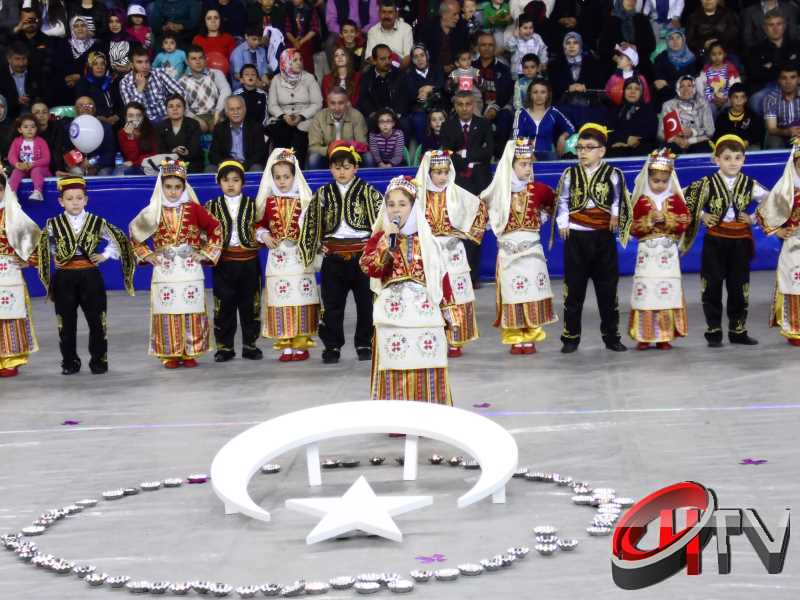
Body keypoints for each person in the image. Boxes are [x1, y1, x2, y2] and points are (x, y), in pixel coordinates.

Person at [360, 175, 453, 403]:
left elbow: (442, 276)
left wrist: (450, 310)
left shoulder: (428, 241)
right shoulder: (381, 238)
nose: (396, 210)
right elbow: (369, 267)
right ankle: (397, 417)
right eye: (391, 204)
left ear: (413, 207)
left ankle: (430, 412)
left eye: (402, 204)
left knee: (425, 361)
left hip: (423, 313)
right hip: (393, 315)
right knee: (395, 362)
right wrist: (385, 244)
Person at [35, 175, 135, 375]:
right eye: (70, 198)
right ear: (61, 201)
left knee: (97, 320)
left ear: (86, 200)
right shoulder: (53, 223)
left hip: (90, 275)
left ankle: (99, 361)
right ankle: (69, 362)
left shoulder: (97, 221)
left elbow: (119, 239)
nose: (75, 202)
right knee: (66, 323)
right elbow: (44, 245)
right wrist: (54, 255)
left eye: (79, 198)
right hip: (64, 277)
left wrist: (105, 255)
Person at [129, 159, 222, 369]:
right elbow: (135, 234)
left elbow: (216, 229)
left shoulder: (195, 210)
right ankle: (170, 353)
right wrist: (146, 254)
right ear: (161, 186)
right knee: (168, 310)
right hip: (165, 269)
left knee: (191, 308)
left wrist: (205, 253)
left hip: (190, 268)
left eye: (177, 187)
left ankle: (190, 351)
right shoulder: (153, 210)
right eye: (168, 187)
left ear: (184, 187)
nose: (173, 192)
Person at [298, 143, 383, 364]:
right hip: (334, 257)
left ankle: (365, 343)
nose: (342, 172)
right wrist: (317, 246)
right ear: (330, 169)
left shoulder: (369, 192)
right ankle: (332, 346)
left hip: (362, 257)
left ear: (356, 167)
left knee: (367, 303)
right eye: (337, 168)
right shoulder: (323, 194)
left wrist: (377, 251)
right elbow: (309, 222)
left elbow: (382, 222)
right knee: (332, 305)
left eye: (346, 167)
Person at [681, 134, 769, 347]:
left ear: (744, 160)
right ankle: (714, 329)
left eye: (737, 158)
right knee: (711, 285)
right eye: (727, 158)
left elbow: (771, 199)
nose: (732, 162)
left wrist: (753, 218)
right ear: (716, 160)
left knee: (739, 286)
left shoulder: (750, 184)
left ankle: (737, 329)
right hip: (715, 241)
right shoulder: (706, 183)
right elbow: (681, 196)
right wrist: (702, 215)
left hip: (740, 241)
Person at [553, 122, 632, 354]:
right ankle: (570, 337)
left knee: (607, 291)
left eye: (589, 147)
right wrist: (563, 222)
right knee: (573, 291)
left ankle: (611, 336)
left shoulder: (613, 174)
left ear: (602, 151)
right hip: (576, 237)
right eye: (579, 148)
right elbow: (563, 200)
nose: (583, 152)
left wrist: (616, 215)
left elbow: (618, 199)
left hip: (602, 238)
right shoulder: (569, 174)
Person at [481, 138, 557, 354]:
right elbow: (479, 211)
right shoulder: (497, 192)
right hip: (508, 253)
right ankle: (515, 336)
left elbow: (556, 205)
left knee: (532, 291)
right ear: (510, 165)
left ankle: (531, 334)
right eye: (523, 164)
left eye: (530, 164)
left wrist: (544, 216)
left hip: (532, 253)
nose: (527, 169)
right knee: (513, 293)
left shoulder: (540, 190)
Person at [414, 149, 488, 357]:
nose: (443, 177)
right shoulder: (417, 195)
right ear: (428, 172)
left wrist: (466, 232)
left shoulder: (456, 193)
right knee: (432, 294)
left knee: (456, 293)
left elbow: (479, 209)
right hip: (429, 252)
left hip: (453, 251)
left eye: (446, 171)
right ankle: (432, 338)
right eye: (438, 172)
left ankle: (455, 340)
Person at [256, 148, 321, 361]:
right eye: (278, 177)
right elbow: (259, 225)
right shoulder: (267, 202)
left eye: (286, 176)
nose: (282, 181)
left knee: (301, 299)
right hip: (278, 260)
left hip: (300, 260)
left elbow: (315, 228)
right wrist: (264, 235)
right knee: (281, 300)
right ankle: (285, 344)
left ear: (295, 176)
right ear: (271, 178)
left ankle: (301, 345)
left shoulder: (305, 200)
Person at [625, 149, 690, 350]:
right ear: (648, 178)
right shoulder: (640, 201)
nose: (660, 185)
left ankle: (664, 335)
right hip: (647, 257)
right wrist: (649, 220)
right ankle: (644, 336)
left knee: (666, 293)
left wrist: (668, 219)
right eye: (656, 181)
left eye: (664, 181)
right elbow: (632, 227)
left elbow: (685, 220)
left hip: (668, 256)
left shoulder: (676, 200)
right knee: (646, 294)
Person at [204, 160, 264, 363]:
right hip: (224, 262)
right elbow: (204, 232)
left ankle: (250, 345)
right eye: (226, 180)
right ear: (219, 183)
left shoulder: (253, 205)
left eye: (236, 180)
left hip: (249, 262)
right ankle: (225, 347)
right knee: (223, 306)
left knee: (251, 305)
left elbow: (262, 227)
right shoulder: (211, 206)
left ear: (243, 183)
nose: (231, 184)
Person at [757, 142, 800, 346]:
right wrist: (778, 230)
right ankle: (795, 329)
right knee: (794, 285)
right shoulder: (785, 189)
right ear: (794, 165)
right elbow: (764, 213)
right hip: (793, 245)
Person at [0, 162, 40, 377]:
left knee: (10, 314)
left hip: (9, 271)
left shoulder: (14, 214)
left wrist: (30, 259)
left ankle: (10, 358)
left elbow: (34, 237)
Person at [267, 48, 323, 168]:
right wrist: (283, 116)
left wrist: (301, 116)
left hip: (305, 119)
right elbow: (272, 105)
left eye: (300, 60)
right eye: (294, 60)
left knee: (300, 137)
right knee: (280, 131)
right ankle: (281, 170)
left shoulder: (309, 78)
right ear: (285, 62)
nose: (299, 63)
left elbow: (317, 103)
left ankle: (297, 171)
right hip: (283, 118)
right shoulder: (276, 79)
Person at [745, 11, 800, 116]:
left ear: (784, 26)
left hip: (795, 84)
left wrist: (772, 66)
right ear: (765, 28)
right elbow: (755, 75)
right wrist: (786, 65)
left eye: (779, 24)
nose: (775, 28)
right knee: (755, 101)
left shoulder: (796, 46)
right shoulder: (755, 50)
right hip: (768, 87)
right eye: (771, 25)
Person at [547, 31, 604, 129]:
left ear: (580, 45)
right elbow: (552, 87)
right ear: (564, 46)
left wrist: (586, 86)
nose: (571, 46)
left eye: (575, 43)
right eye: (568, 43)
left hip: (588, 104)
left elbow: (600, 83)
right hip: (564, 104)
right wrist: (568, 87)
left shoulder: (592, 62)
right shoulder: (555, 65)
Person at [473, 32, 514, 159]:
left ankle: (500, 156)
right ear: (478, 48)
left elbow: (506, 93)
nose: (487, 48)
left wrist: (494, 107)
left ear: (495, 47)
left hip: (499, 106)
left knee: (505, 117)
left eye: (490, 45)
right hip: (477, 107)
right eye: (483, 45)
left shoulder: (503, 69)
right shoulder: (471, 67)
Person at [513, 77, 574, 160]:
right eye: (535, 92)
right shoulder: (521, 113)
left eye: (543, 92)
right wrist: (529, 154)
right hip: (525, 155)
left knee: (554, 160)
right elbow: (517, 136)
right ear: (530, 95)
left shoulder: (553, 112)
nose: (539, 96)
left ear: (548, 94)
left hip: (548, 155)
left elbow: (570, 127)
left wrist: (562, 137)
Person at [119, 46, 184, 124]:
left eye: (147, 61)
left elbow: (181, 92)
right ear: (132, 65)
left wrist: (172, 113)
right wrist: (140, 88)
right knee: (129, 127)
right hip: (146, 125)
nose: (144, 66)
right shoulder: (125, 83)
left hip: (168, 117)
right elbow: (132, 113)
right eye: (139, 62)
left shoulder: (159, 73)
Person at [179, 45, 232, 134]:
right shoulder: (181, 82)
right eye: (193, 59)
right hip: (195, 116)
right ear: (187, 62)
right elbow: (183, 106)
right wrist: (195, 119)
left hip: (215, 113)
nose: (198, 61)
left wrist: (218, 111)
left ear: (205, 59)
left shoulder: (216, 73)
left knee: (221, 129)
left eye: (201, 58)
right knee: (192, 129)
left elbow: (226, 90)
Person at [208, 95, 268, 172]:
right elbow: (213, 154)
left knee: (257, 168)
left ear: (244, 109)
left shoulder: (256, 127)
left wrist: (243, 165)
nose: (235, 112)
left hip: (248, 166)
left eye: (238, 108)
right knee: (210, 169)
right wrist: (225, 164)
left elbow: (260, 154)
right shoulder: (219, 128)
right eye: (231, 109)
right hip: (226, 166)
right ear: (226, 112)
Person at [658, 75, 715, 154]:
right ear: (677, 89)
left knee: (701, 150)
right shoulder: (668, 105)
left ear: (694, 88)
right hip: (675, 142)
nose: (686, 89)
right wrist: (677, 139)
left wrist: (692, 133)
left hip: (698, 141)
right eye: (682, 86)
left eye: (689, 86)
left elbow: (710, 131)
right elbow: (660, 133)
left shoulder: (703, 104)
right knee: (670, 150)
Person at [599, 0, 655, 77]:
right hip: (615, 64)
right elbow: (602, 47)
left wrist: (634, 47)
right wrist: (619, 59)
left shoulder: (642, 19)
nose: (631, 1)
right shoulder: (610, 21)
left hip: (640, 65)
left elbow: (651, 45)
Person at [358, 44, 408, 125]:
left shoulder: (400, 75)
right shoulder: (366, 76)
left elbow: (404, 98)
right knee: (368, 124)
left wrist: (396, 113)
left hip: (395, 114)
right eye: (383, 59)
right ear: (374, 61)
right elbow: (364, 99)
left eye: (389, 58)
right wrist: (373, 113)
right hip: (375, 115)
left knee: (405, 123)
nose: (387, 61)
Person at [606, 79, 658, 157]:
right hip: (617, 147)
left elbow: (650, 133)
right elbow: (609, 131)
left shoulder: (649, 110)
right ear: (624, 91)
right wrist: (626, 139)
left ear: (642, 93)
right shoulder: (615, 110)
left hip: (641, 149)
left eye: (637, 89)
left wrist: (628, 142)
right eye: (629, 88)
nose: (632, 92)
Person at [416, 0, 470, 74]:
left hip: (457, 71)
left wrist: (455, 65)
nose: (458, 17)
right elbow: (420, 54)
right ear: (444, 14)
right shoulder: (428, 28)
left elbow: (465, 54)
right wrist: (440, 68)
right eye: (455, 14)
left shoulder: (462, 29)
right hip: (431, 72)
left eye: (459, 14)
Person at [156, 93, 204, 173]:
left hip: (191, 163)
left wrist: (186, 152)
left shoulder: (193, 124)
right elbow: (160, 150)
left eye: (178, 106)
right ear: (166, 110)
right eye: (171, 106)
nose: (175, 109)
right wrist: (173, 151)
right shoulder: (161, 126)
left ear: (184, 109)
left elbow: (196, 150)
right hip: (168, 164)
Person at [652, 26, 698, 108]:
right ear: (667, 41)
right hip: (666, 97)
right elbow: (659, 82)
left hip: (687, 95)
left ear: (683, 39)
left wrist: (668, 83)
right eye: (671, 38)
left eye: (678, 38)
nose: (675, 41)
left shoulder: (691, 58)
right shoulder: (661, 57)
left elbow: (690, 81)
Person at [7, 115, 50, 202]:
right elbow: (11, 155)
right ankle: (12, 194)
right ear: (20, 130)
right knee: (16, 171)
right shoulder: (16, 141)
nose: (29, 129)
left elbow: (46, 159)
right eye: (26, 127)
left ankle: (38, 192)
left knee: (36, 170)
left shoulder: (41, 141)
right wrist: (17, 164)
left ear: (37, 129)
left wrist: (33, 164)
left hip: (40, 168)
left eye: (33, 127)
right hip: (24, 167)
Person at [75, 52, 120, 127]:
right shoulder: (83, 83)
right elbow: (82, 106)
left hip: (115, 121)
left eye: (102, 64)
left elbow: (120, 104)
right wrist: (98, 117)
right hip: (93, 122)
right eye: (95, 64)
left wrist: (117, 116)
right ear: (90, 66)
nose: (100, 67)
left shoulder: (111, 82)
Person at [714, 83, 764, 150]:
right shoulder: (722, 117)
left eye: (742, 97)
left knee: (755, 149)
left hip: (747, 146)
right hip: (727, 147)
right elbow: (717, 137)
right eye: (735, 97)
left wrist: (747, 142)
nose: (739, 101)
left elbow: (758, 135)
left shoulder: (752, 116)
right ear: (730, 99)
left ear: (746, 99)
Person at [365, 0, 413, 67]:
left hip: (400, 70)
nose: (386, 16)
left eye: (390, 12)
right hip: (379, 70)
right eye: (383, 12)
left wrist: (395, 73)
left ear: (396, 14)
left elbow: (408, 57)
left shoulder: (406, 29)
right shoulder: (372, 31)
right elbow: (370, 57)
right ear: (379, 14)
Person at [0, 44, 42, 120]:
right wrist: (16, 101)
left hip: (34, 115)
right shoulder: (1, 74)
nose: (21, 63)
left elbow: (45, 94)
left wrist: (32, 99)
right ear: (9, 59)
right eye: (17, 59)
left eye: (24, 59)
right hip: (8, 116)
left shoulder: (36, 72)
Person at [699, 41, 740, 115]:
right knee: (709, 110)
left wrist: (726, 99)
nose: (717, 57)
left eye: (720, 54)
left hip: (727, 100)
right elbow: (704, 88)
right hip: (711, 101)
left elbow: (736, 86)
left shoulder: (730, 69)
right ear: (709, 56)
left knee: (729, 107)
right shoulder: (706, 71)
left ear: (724, 54)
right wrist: (712, 99)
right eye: (713, 54)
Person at [604, 43, 651, 107]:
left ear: (630, 62)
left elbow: (646, 97)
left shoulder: (640, 79)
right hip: (618, 109)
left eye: (621, 58)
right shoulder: (614, 78)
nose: (618, 60)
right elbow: (607, 93)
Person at [764, 65, 800, 149]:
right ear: (779, 80)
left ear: (798, 79)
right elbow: (771, 128)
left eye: (793, 77)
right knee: (774, 142)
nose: (788, 82)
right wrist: (788, 132)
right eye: (784, 78)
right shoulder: (771, 99)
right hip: (780, 133)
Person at [116, 101, 157, 175]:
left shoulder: (152, 129)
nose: (135, 118)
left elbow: (154, 154)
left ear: (143, 117)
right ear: (125, 117)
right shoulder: (122, 133)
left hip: (150, 165)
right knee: (119, 173)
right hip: (133, 166)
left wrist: (134, 162)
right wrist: (130, 137)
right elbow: (131, 157)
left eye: (138, 115)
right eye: (131, 116)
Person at [282, 0, 322, 74]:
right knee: (289, 53)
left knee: (305, 53)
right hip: (292, 39)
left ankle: (308, 77)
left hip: (306, 39)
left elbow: (314, 29)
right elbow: (287, 29)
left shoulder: (310, 8)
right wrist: (294, 41)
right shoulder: (288, 7)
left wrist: (301, 42)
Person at [506, 14, 548, 78]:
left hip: (534, 72)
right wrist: (515, 37)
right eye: (525, 28)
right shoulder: (515, 39)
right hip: (519, 73)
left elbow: (543, 50)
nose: (528, 31)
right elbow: (510, 48)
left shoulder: (537, 38)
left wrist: (543, 62)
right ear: (518, 29)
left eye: (531, 28)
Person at [230, 26, 270, 91]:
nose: (257, 42)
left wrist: (267, 84)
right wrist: (258, 84)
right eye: (254, 39)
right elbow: (237, 75)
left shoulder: (262, 51)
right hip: (242, 88)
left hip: (259, 86)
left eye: (259, 40)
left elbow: (263, 74)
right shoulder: (237, 52)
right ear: (246, 36)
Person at [448, 50, 484, 116]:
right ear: (457, 63)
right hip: (459, 98)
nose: (467, 62)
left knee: (474, 112)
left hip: (474, 98)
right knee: (457, 113)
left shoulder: (475, 71)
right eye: (463, 60)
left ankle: (479, 123)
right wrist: (455, 83)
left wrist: (476, 80)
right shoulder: (454, 73)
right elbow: (449, 88)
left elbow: (482, 86)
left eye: (469, 58)